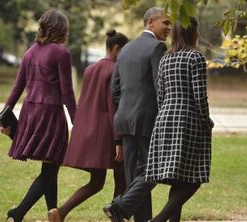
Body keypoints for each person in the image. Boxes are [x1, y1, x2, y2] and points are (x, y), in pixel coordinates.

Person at [0, 9, 76, 222]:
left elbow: (17, 87)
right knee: (51, 169)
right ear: (61, 29)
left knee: (50, 165)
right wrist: (77, 121)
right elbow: (67, 92)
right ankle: (18, 213)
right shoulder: (62, 53)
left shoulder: (30, 52)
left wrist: (3, 116)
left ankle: (54, 213)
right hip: (50, 114)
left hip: (30, 113)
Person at [47, 29, 129, 222]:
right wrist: (119, 140)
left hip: (88, 133)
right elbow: (112, 107)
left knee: (97, 182)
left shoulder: (90, 70)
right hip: (107, 134)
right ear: (117, 49)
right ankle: (117, 217)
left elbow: (84, 103)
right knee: (122, 175)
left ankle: (60, 212)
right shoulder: (115, 70)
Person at [102, 7, 171, 222]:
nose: (169, 27)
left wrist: (127, 107)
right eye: (165, 22)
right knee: (156, 168)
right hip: (147, 120)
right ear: (150, 22)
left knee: (135, 176)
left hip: (124, 119)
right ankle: (119, 206)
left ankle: (135, 215)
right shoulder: (158, 47)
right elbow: (161, 88)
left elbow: (114, 90)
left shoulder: (126, 49)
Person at [146, 16, 214, 222]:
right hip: (188, 120)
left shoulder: (166, 58)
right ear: (193, 33)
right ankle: (157, 220)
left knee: (178, 179)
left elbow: (161, 94)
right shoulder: (195, 58)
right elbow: (199, 95)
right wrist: (206, 120)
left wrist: (165, 116)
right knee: (193, 179)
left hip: (165, 117)